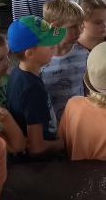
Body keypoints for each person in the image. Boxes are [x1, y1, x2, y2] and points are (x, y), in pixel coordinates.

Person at [5, 16, 66, 161]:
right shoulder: (33, 88)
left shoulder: (18, 72)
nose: (54, 47)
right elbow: (36, 148)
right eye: (49, 45)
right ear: (30, 53)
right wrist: (64, 144)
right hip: (39, 164)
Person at [41, 0, 89, 122]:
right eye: (73, 26)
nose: (79, 31)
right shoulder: (38, 58)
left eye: (80, 25)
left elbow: (88, 87)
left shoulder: (84, 53)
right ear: (55, 27)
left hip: (79, 119)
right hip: (50, 122)